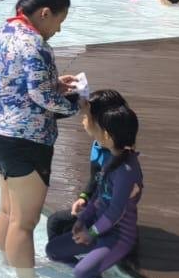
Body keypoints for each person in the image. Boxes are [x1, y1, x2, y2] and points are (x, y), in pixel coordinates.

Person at [0, 0, 80, 272]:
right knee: (25, 222)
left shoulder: (5, 33)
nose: (58, 30)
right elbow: (42, 96)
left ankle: (6, 264)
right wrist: (77, 105)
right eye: (59, 21)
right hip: (27, 138)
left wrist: (53, 83)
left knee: (7, 210)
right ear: (45, 13)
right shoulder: (35, 43)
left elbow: (18, 82)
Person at [44, 94, 143, 278]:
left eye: (96, 124)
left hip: (118, 237)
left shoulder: (126, 171)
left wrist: (91, 233)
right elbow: (98, 196)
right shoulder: (112, 159)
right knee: (53, 251)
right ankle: (94, 265)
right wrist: (83, 220)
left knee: (82, 274)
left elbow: (115, 212)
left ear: (106, 135)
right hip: (97, 229)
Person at [45, 88, 130, 241]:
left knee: (55, 222)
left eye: (85, 116)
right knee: (64, 226)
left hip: (110, 214)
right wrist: (83, 198)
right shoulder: (99, 144)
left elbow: (118, 201)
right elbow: (94, 179)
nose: (82, 120)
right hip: (98, 206)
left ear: (100, 122)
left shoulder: (119, 156)